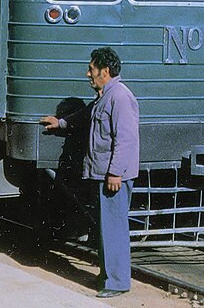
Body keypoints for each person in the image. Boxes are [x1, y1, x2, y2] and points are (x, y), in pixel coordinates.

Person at [41, 47, 140, 298]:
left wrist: (115, 173)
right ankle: (110, 277)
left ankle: (117, 282)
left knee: (113, 228)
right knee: (106, 227)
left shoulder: (119, 97)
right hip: (104, 173)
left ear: (105, 72)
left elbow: (126, 139)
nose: (88, 74)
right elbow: (86, 116)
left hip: (114, 176)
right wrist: (61, 123)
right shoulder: (105, 96)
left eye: (92, 69)